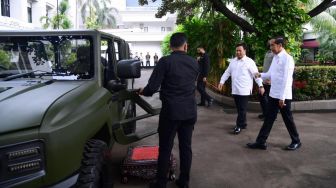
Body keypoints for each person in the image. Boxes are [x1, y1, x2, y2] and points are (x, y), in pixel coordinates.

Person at [139, 32, 199, 188]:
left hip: (171, 113)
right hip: (189, 112)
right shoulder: (194, 62)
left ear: (171, 46)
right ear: (186, 46)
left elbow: (151, 88)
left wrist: (142, 91)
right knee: (186, 147)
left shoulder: (165, 62)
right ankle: (184, 182)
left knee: (165, 148)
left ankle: (160, 183)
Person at [247, 37, 302, 150]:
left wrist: (282, 98)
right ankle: (261, 142)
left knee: (288, 119)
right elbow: (269, 74)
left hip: (283, 96)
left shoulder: (288, 59)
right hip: (273, 94)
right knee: (268, 118)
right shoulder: (275, 58)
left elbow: (287, 79)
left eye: (272, 45)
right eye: (270, 45)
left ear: (280, 45)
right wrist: (260, 75)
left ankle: (296, 141)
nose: (271, 47)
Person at [218, 43, 264, 134]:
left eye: (240, 50)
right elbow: (227, 72)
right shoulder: (233, 61)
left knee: (242, 109)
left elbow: (256, 75)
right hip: (235, 89)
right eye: (237, 50)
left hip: (244, 90)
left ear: (245, 51)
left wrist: (261, 85)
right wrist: (221, 82)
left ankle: (238, 126)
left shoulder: (249, 62)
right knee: (240, 109)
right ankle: (243, 123)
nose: (238, 52)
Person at [258, 40, 274, 120]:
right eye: (269, 44)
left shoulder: (275, 55)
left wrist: (271, 79)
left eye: (272, 44)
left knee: (266, 98)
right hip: (264, 78)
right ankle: (265, 113)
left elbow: (275, 68)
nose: (270, 45)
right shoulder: (268, 53)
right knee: (262, 97)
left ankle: (269, 115)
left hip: (270, 80)